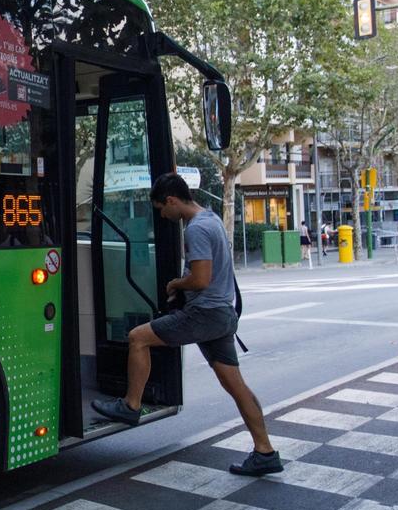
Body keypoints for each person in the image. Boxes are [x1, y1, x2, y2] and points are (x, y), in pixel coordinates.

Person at [91, 173, 282, 477]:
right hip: (220, 313)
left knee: (137, 338)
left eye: (161, 209)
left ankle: (130, 405)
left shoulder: (196, 230)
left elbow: (201, 279)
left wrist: (176, 283)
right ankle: (265, 451)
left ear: (171, 201)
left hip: (203, 315)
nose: (163, 216)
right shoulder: (212, 219)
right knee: (236, 385)